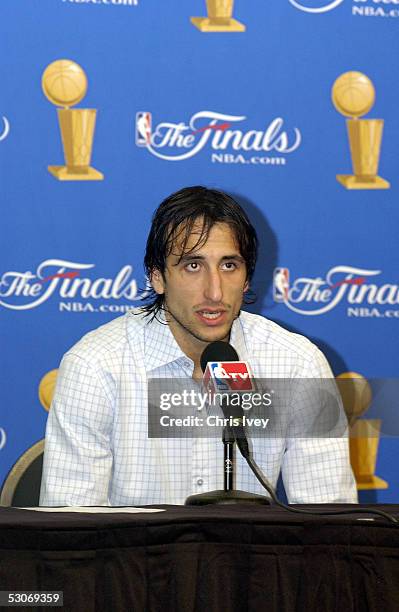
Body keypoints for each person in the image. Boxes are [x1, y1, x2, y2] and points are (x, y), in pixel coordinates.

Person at [40, 186, 357, 506]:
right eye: (193, 265)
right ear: (157, 277)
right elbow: (72, 533)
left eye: (229, 265)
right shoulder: (95, 366)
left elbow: (329, 523)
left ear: (247, 278)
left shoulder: (298, 364)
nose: (215, 292)